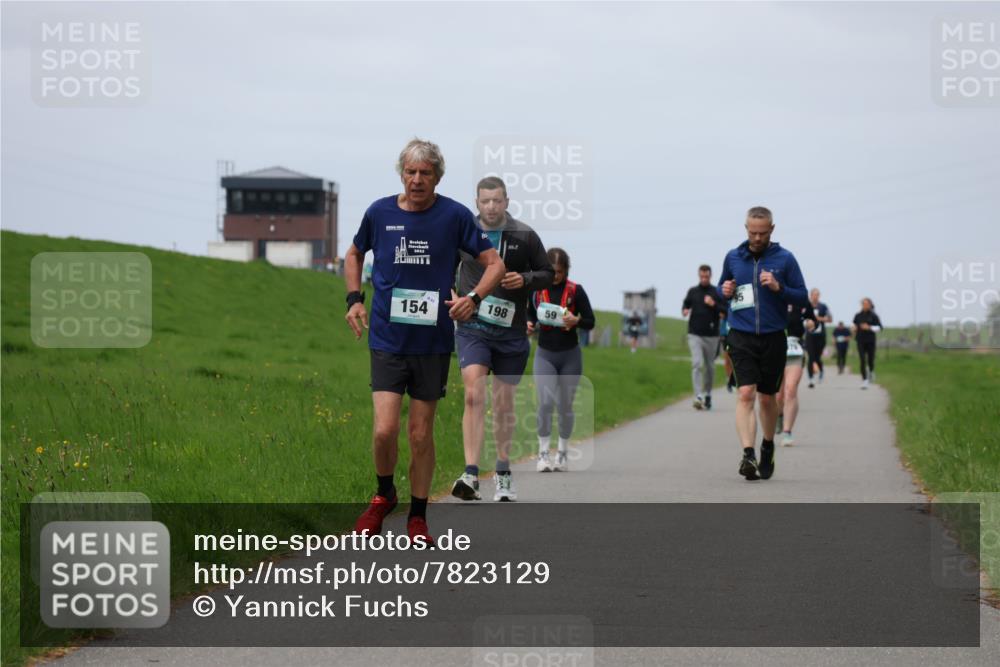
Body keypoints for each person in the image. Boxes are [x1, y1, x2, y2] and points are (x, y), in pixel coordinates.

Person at [345, 138, 504, 546]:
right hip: (387, 337)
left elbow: (495, 264)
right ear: (402, 174)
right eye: (411, 172)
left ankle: (417, 516)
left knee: (419, 433)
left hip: (431, 343)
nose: (417, 180)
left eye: (425, 174)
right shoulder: (379, 213)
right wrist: (353, 300)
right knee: (384, 431)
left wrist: (473, 298)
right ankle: (384, 494)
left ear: (437, 178)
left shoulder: (453, 216)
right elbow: (353, 253)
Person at [452, 176, 554, 503]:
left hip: (510, 333)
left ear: (506, 202)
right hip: (473, 328)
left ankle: (503, 472)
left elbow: (547, 273)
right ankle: (470, 472)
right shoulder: (465, 232)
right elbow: (443, 266)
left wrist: (524, 278)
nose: (491, 207)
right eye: (485, 201)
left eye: (497, 201)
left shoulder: (524, 235)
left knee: (503, 403)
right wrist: (452, 294)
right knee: (473, 392)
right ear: (477, 203)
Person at [719, 206, 809, 481]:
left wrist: (779, 287)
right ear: (745, 228)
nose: (756, 238)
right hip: (741, 335)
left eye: (762, 233)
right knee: (745, 393)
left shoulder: (785, 259)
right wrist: (723, 291)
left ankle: (767, 445)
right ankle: (748, 454)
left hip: (773, 337)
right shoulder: (734, 257)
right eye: (752, 232)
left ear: (772, 229)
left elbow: (802, 297)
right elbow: (722, 288)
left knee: (768, 398)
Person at [527, 248, 596, 472]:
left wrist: (576, 320)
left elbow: (590, 321)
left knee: (564, 405)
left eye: (560, 271)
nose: (556, 275)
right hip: (545, 353)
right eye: (553, 271)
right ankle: (543, 454)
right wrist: (528, 324)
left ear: (566, 270)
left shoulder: (576, 291)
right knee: (545, 403)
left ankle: (563, 453)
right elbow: (528, 313)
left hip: (570, 355)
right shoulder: (537, 290)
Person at [682, 265, 725, 410]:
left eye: (706, 276)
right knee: (697, 364)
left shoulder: (716, 292)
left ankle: (707, 394)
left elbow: (724, 312)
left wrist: (713, 304)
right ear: (699, 276)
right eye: (701, 276)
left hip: (712, 336)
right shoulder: (693, 291)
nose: (704, 279)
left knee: (710, 368)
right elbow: (686, 304)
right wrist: (685, 310)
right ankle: (698, 395)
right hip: (694, 334)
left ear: (710, 276)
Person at [776, 302, 817, 446]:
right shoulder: (769, 296)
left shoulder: (802, 300)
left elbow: (813, 320)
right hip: (774, 351)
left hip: (796, 351)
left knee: (791, 389)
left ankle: (787, 432)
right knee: (778, 395)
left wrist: (812, 323)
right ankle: (779, 415)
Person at [852, 298, 882, 389]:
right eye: (863, 304)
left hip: (870, 341)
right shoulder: (857, 315)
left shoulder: (874, 315)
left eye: (866, 304)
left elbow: (880, 328)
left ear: (870, 305)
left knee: (870, 360)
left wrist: (869, 327)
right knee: (862, 359)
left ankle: (871, 370)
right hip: (860, 340)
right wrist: (853, 329)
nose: (865, 305)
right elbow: (854, 325)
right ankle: (865, 380)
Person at [804, 288, 832, 388]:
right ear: (811, 295)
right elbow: (801, 317)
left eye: (817, 295)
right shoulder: (806, 305)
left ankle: (821, 372)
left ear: (819, 296)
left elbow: (830, 319)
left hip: (820, 335)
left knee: (817, 357)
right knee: (811, 357)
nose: (815, 296)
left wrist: (819, 319)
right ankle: (811, 379)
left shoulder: (823, 307)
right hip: (810, 336)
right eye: (813, 294)